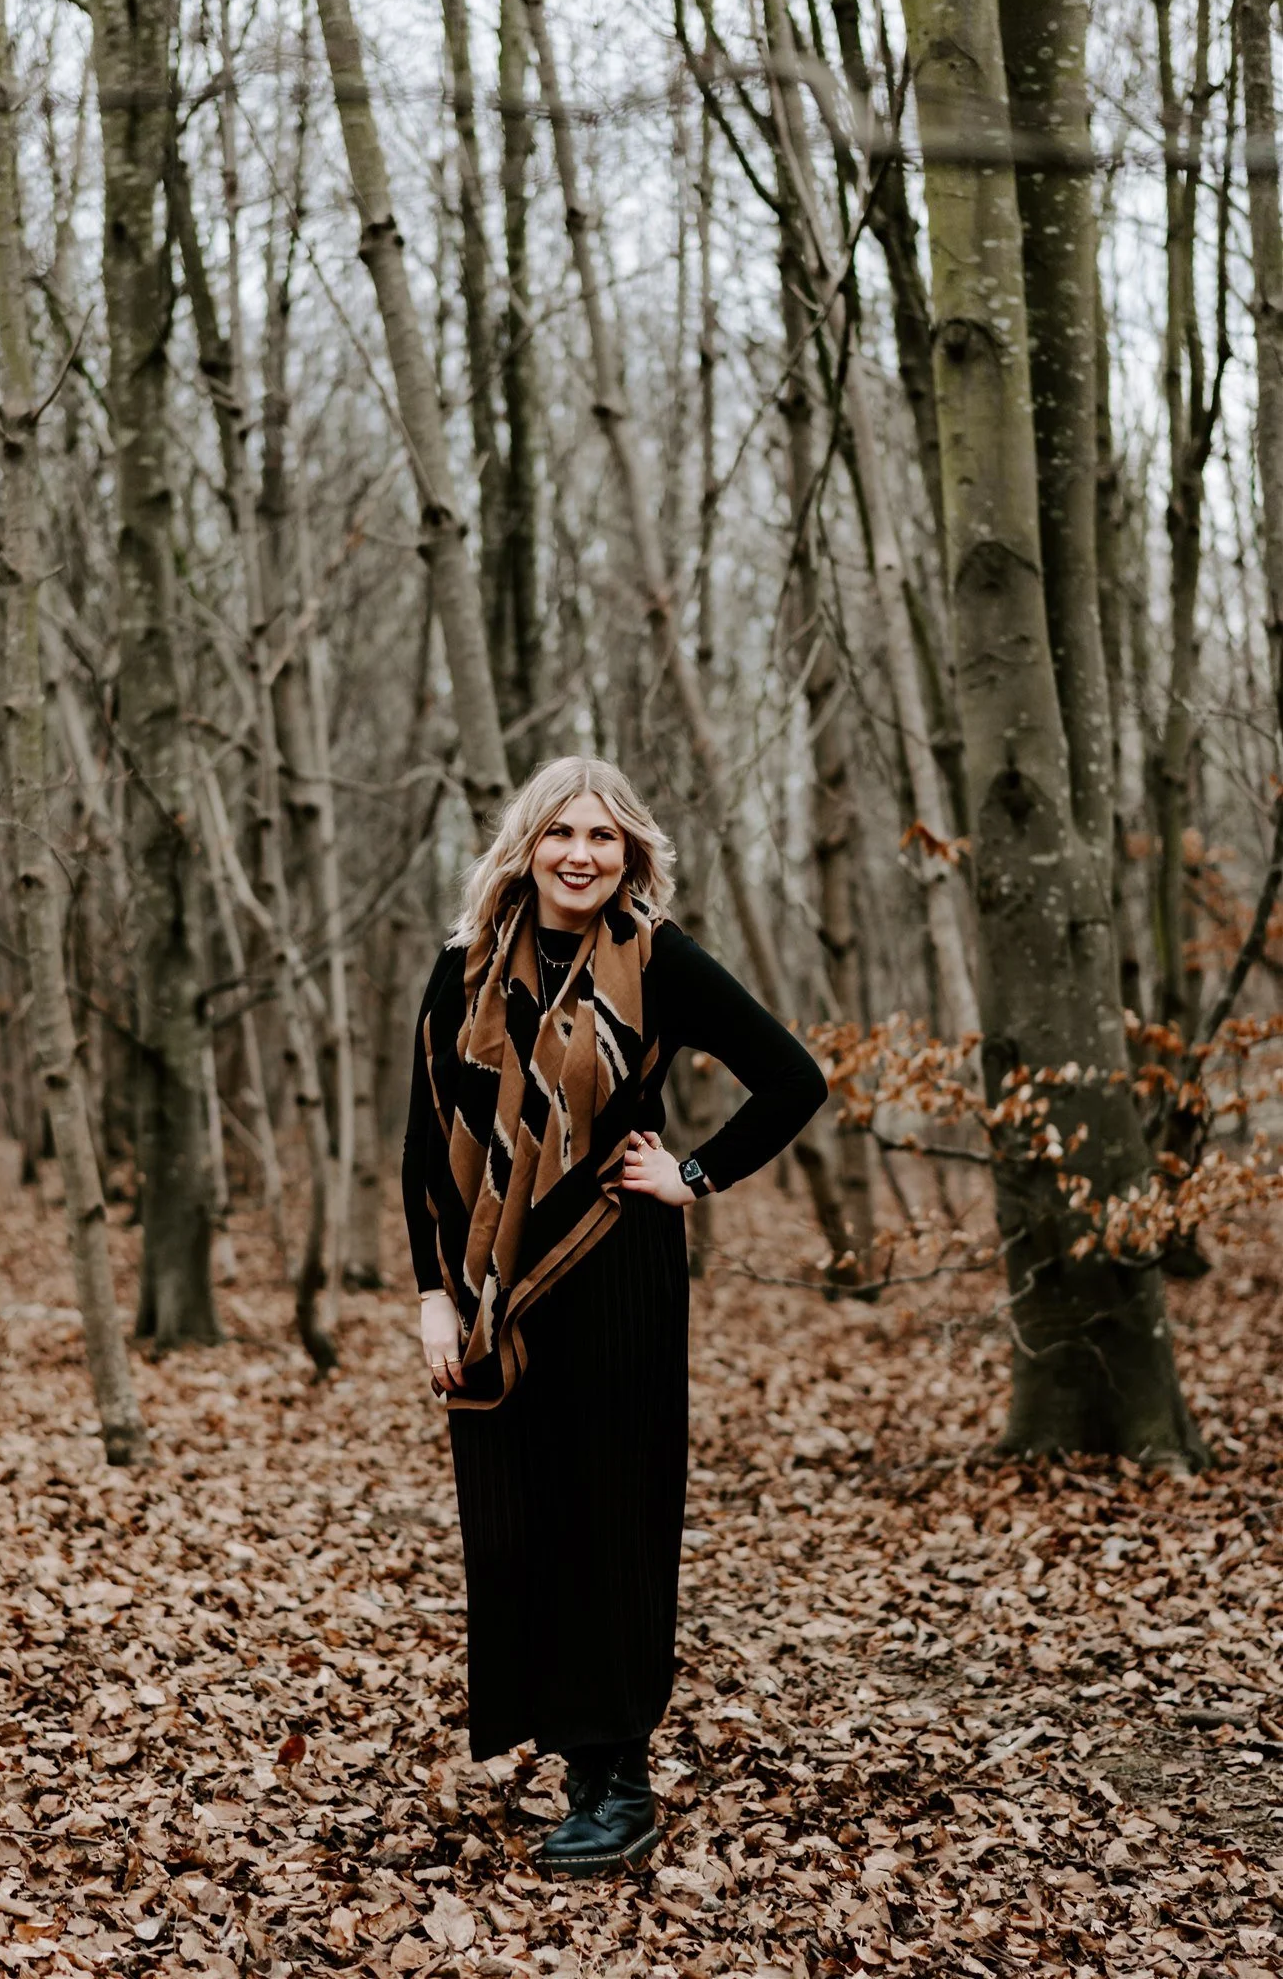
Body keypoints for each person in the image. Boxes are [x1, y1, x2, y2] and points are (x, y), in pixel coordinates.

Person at [401, 757, 827, 1876]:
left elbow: (792, 1078)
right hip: (497, 1290)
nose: (581, 854)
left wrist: (692, 1174)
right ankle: (566, 1745)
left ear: (629, 851)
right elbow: (422, 1146)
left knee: (613, 1517)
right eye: (560, 833)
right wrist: (433, 1294)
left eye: (603, 835)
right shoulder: (462, 972)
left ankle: (616, 1777)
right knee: (514, 1519)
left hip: (616, 1270)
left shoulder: (660, 960)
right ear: (526, 845)